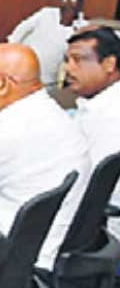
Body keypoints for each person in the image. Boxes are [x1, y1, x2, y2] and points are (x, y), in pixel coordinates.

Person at [0, 44, 91, 270]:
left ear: (3, 85)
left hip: (4, 266)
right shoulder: (44, 113)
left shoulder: (13, 134)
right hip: (32, 254)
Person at [63, 28, 120, 233]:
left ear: (109, 64)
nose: (68, 68)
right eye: (67, 60)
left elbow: (85, 184)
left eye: (78, 60)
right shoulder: (100, 103)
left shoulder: (109, 116)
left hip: (98, 225)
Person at [8, 0, 89, 85]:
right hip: (22, 69)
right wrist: (10, 51)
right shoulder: (46, 14)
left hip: (48, 80)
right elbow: (21, 30)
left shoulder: (83, 27)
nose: (67, 3)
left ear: (81, 3)